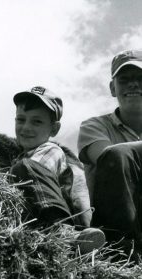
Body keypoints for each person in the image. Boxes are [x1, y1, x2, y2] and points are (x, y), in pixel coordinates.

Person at [10, 86, 105, 254]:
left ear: (54, 129)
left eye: (37, 121)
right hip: (34, 223)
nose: (26, 127)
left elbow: (26, 177)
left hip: (57, 217)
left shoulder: (49, 150)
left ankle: (60, 230)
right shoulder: (18, 159)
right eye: (21, 119)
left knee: (24, 167)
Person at [77, 49, 142, 258]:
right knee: (117, 156)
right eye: (124, 80)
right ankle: (122, 251)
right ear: (113, 88)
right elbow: (108, 157)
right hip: (118, 223)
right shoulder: (94, 126)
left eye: (141, 79)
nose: (133, 84)